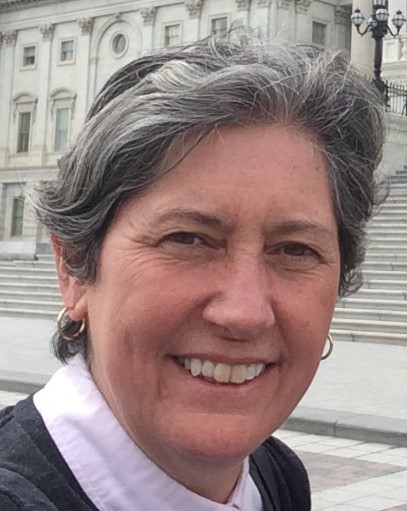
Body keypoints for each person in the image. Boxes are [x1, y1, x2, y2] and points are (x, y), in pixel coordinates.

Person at [0, 32, 385, 511]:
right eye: (187, 239)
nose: (245, 313)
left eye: (295, 250)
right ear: (75, 267)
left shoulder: (275, 476)